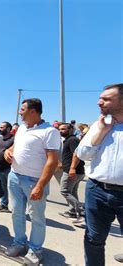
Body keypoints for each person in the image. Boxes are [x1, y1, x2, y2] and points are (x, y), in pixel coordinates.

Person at [4, 98, 60, 265]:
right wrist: (8, 150)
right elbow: (17, 146)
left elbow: (52, 161)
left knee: (36, 217)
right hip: (14, 176)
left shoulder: (50, 131)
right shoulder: (21, 128)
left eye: (22, 109)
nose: (20, 112)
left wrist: (40, 186)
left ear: (33, 111)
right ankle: (19, 243)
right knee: (16, 213)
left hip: (34, 181)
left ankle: (36, 250)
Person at [75, 83, 123, 266]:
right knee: (94, 239)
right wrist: (102, 131)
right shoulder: (99, 125)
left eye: (106, 99)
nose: (98, 102)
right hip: (97, 190)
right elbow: (82, 154)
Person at [57, 123, 85, 219]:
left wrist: (72, 169)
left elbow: (76, 154)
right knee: (72, 192)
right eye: (60, 129)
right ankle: (73, 212)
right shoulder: (68, 140)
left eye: (63, 129)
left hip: (73, 171)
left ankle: (81, 210)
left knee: (64, 191)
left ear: (71, 129)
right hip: (74, 171)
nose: (61, 131)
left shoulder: (72, 140)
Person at [0, 121, 14, 213]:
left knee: (13, 189)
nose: (0, 129)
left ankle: (17, 208)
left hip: (10, 168)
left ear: (9, 129)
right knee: (2, 188)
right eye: (0, 127)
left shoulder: (14, 139)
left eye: (2, 127)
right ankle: (4, 205)